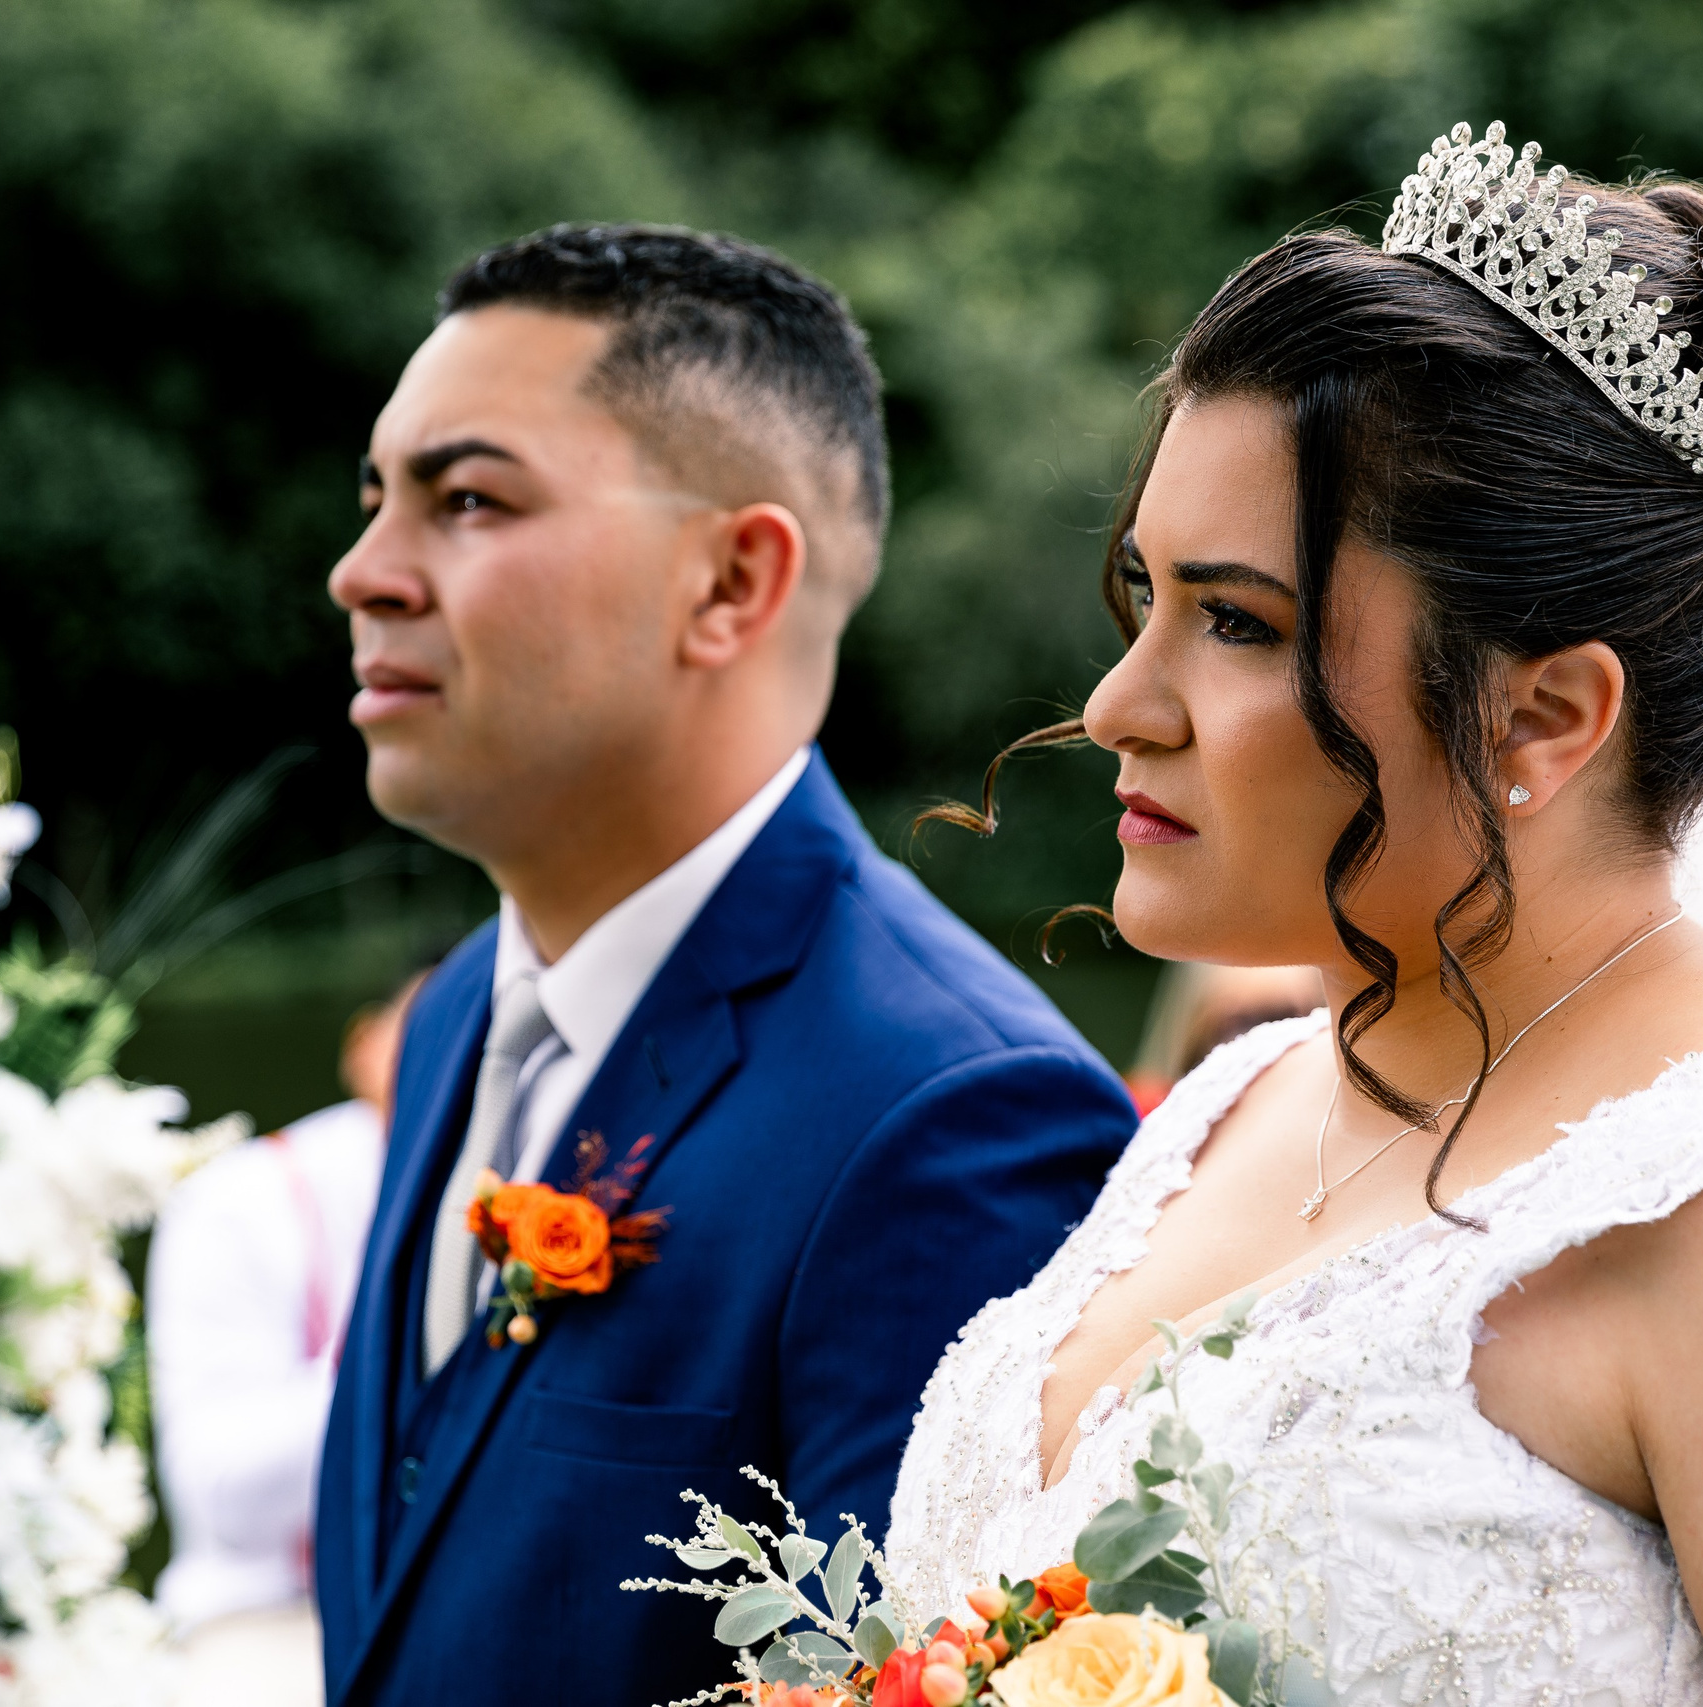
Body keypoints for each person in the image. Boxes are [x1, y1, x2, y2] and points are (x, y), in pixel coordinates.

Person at [888, 122, 1703, 1702]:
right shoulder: (1245, 1097)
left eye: (1237, 622)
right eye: (1149, 597)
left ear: (1543, 716)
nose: (1121, 702)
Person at [312, 224, 1135, 1705]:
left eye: (468, 498)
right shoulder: (451, 1018)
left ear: (733, 581)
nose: (362, 571)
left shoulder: (954, 1115)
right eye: (376, 499)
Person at [147, 975, 420, 1707]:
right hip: (267, 1612)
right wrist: (411, 1353)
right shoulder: (242, 1198)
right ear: (362, 1046)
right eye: (423, 1026)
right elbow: (222, 1495)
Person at [1124, 963, 1322, 1112]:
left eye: (1282, 1017)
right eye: (1239, 1023)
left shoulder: (1326, 1120)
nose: (1261, 1036)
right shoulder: (1143, 1115)